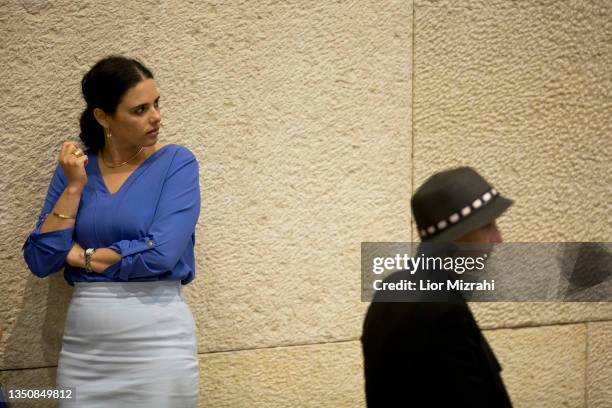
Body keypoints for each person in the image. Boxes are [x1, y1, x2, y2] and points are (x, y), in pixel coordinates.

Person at [22, 56, 200, 407]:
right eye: (139, 109)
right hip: (85, 353)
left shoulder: (176, 163)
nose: (156, 117)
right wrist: (74, 187)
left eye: (156, 104)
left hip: (160, 347)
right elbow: (42, 258)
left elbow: (161, 253)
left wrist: (82, 257)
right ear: (103, 117)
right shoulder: (77, 169)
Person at [361, 167, 513, 407]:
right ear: (454, 237)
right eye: (487, 226)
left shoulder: (391, 289)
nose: (498, 239)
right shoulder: (442, 310)